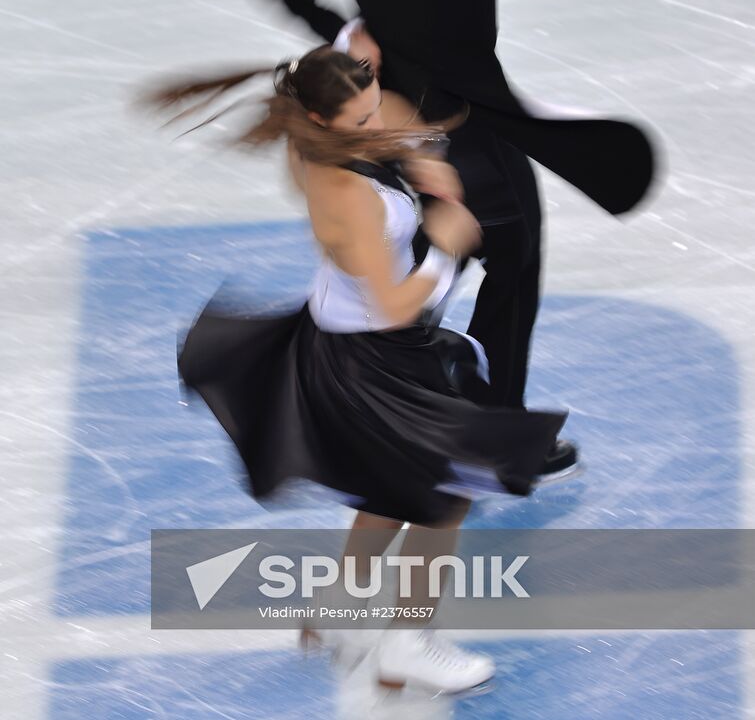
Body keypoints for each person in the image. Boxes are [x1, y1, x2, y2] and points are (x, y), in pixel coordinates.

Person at [254, 0, 656, 477]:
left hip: (381, 123)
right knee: (511, 259)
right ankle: (490, 437)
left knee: (417, 255)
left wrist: (347, 29)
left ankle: (392, 406)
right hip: (464, 126)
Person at [141, 46, 566, 695]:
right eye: (361, 120)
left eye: (372, 112)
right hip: (371, 360)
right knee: (443, 500)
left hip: (349, 341)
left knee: (389, 493)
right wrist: (446, 247)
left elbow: (385, 120)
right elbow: (395, 307)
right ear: (320, 116)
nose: (376, 125)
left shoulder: (316, 140)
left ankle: (338, 616)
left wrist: (420, 159)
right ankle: (407, 646)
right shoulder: (345, 192)